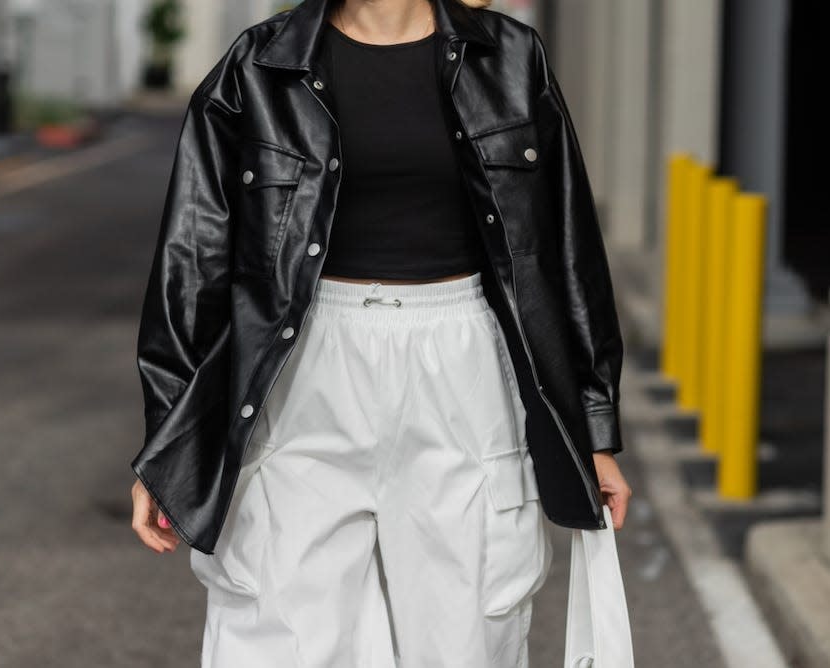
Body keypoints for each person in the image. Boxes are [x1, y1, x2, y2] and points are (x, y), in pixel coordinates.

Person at [130, 0, 633, 665]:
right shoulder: (257, 66)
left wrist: (593, 427)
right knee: (280, 639)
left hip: (463, 370)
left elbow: (566, 248)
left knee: (468, 639)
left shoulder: (509, 57)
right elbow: (194, 262)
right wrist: (171, 439)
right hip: (302, 375)